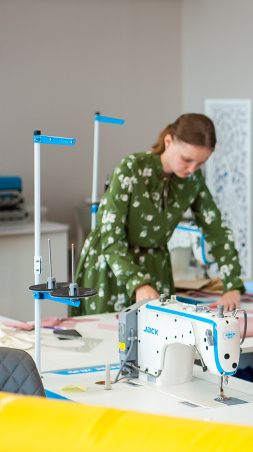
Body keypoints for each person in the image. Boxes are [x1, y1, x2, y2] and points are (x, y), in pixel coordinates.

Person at [77, 114, 243, 314]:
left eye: (200, 164)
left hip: (156, 267)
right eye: (187, 159)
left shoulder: (193, 180)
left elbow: (216, 229)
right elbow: (110, 237)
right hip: (113, 265)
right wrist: (137, 283)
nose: (192, 169)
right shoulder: (131, 169)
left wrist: (232, 285)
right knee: (109, 337)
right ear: (168, 141)